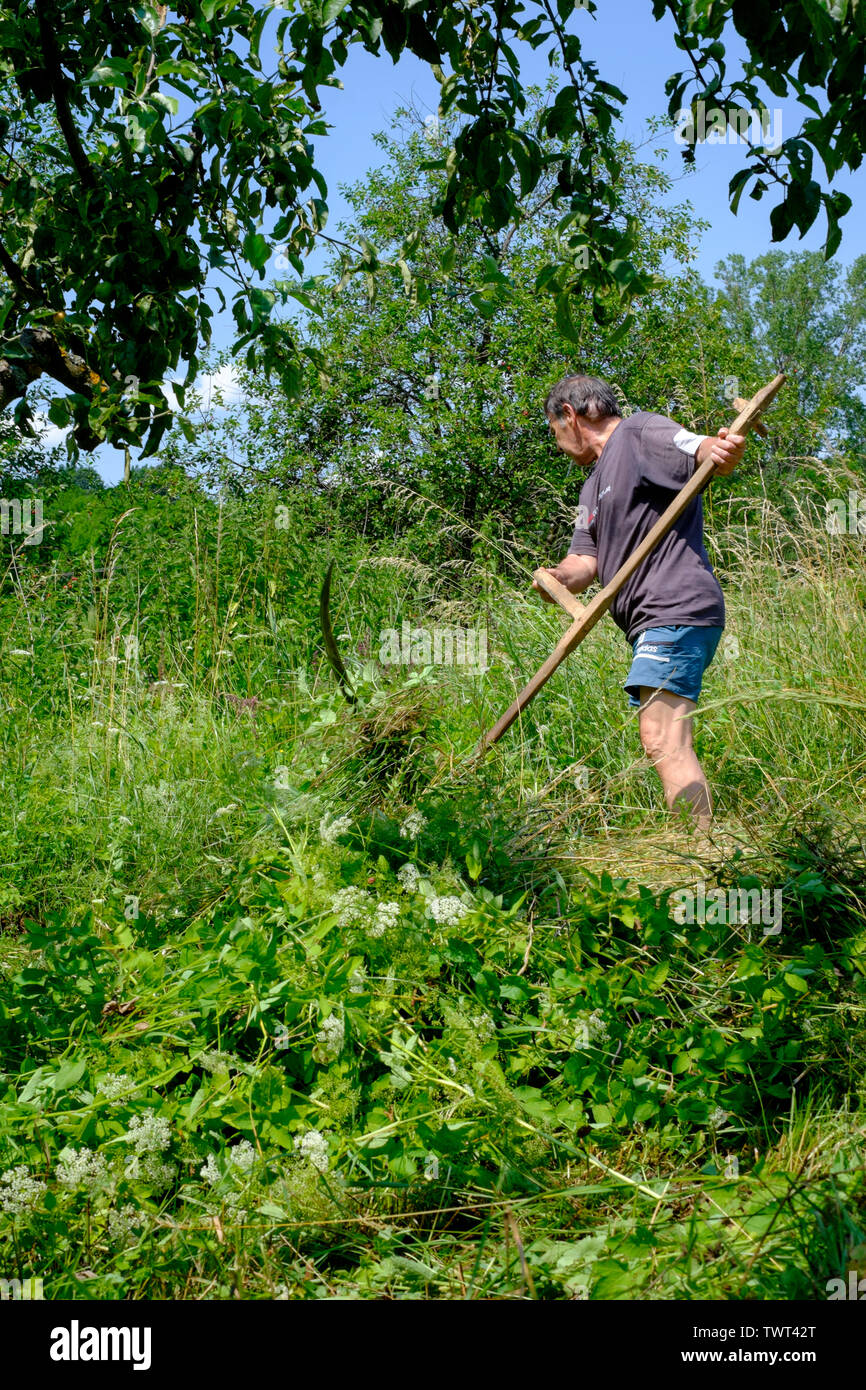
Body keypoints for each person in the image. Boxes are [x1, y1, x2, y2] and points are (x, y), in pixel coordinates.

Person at [535, 374, 746, 832]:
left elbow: (700, 449)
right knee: (663, 736)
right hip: (653, 620)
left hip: (674, 606)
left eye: (555, 431)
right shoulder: (590, 487)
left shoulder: (639, 431)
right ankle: (702, 854)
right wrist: (557, 577)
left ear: (570, 415)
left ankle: (701, 858)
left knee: (662, 737)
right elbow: (583, 560)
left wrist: (720, 449)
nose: (558, 445)